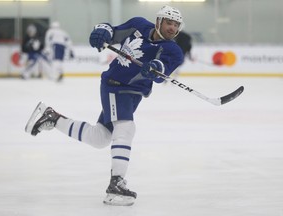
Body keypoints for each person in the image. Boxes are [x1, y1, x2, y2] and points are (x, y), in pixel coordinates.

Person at [25, 5, 184, 206]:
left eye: (176, 25)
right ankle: (116, 184)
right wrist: (102, 31)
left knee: (99, 138)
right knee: (125, 128)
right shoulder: (138, 25)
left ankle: (52, 118)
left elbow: (162, 72)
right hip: (115, 86)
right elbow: (113, 31)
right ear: (158, 21)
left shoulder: (174, 51)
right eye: (169, 22)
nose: (172, 28)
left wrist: (155, 68)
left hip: (133, 94)